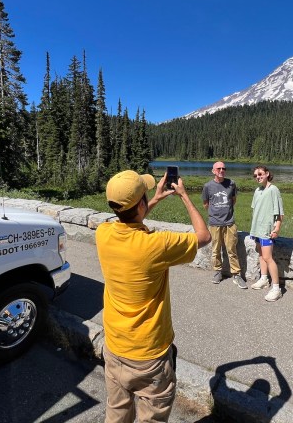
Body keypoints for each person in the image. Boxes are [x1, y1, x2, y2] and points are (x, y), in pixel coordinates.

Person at [96, 169, 211, 423]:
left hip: (115, 347)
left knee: (116, 412)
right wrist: (183, 196)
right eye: (146, 196)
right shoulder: (156, 245)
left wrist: (155, 198)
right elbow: (204, 236)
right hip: (149, 355)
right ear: (140, 205)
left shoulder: (103, 234)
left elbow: (129, 221)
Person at [202, 161, 246, 289]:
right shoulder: (208, 186)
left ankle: (236, 275)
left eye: (223, 168)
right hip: (214, 223)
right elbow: (206, 204)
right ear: (213, 171)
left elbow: (233, 200)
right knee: (215, 250)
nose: (221, 170)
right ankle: (217, 272)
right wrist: (215, 213)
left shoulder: (231, 183)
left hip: (229, 223)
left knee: (232, 250)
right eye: (218, 168)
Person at [249, 165, 285, 302]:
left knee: (268, 257)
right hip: (257, 229)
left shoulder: (273, 190)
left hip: (266, 230)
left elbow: (280, 213)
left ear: (267, 174)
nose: (258, 177)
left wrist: (277, 228)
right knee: (260, 254)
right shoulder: (257, 190)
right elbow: (255, 209)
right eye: (255, 175)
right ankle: (264, 278)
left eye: (260, 174)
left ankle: (277, 289)